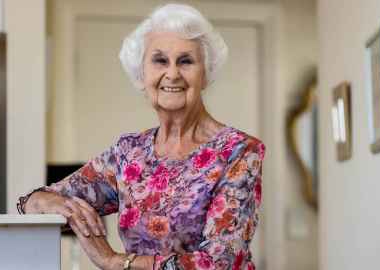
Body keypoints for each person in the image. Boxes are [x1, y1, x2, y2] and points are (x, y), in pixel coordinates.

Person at [17, 3, 265, 270]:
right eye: (160, 60)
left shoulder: (239, 152)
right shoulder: (129, 153)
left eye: (186, 61)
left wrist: (116, 261)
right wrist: (47, 202)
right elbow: (37, 201)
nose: (172, 73)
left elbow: (219, 263)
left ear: (205, 74)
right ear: (141, 73)